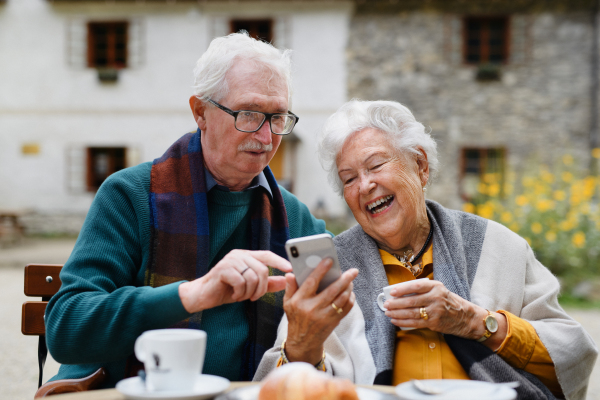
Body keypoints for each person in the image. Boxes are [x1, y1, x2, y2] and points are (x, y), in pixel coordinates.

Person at [44, 32, 355, 388]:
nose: (267, 137)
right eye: (249, 114)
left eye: (278, 117)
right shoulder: (129, 195)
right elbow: (66, 327)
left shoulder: (297, 220)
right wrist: (192, 294)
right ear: (201, 112)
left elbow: (338, 322)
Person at [255, 99, 598, 400]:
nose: (365, 185)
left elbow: (571, 353)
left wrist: (474, 321)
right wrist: (302, 342)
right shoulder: (333, 271)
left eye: (375, 165)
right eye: (349, 178)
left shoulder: (496, 245)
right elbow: (283, 388)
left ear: (420, 166)